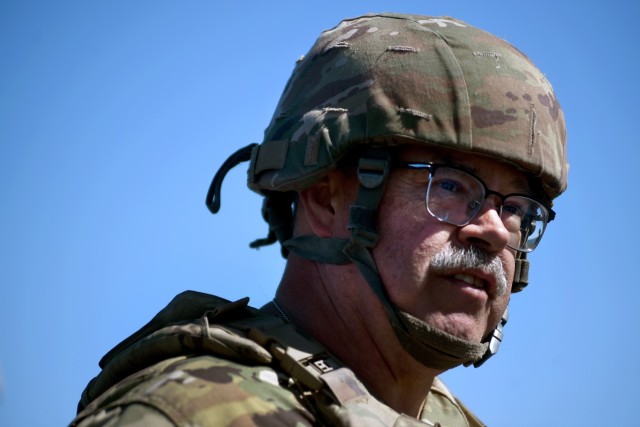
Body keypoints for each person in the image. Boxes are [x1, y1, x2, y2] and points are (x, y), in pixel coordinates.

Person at [71, 12, 567, 427]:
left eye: (516, 208)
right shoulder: (193, 414)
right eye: (451, 186)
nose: (495, 230)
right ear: (327, 198)